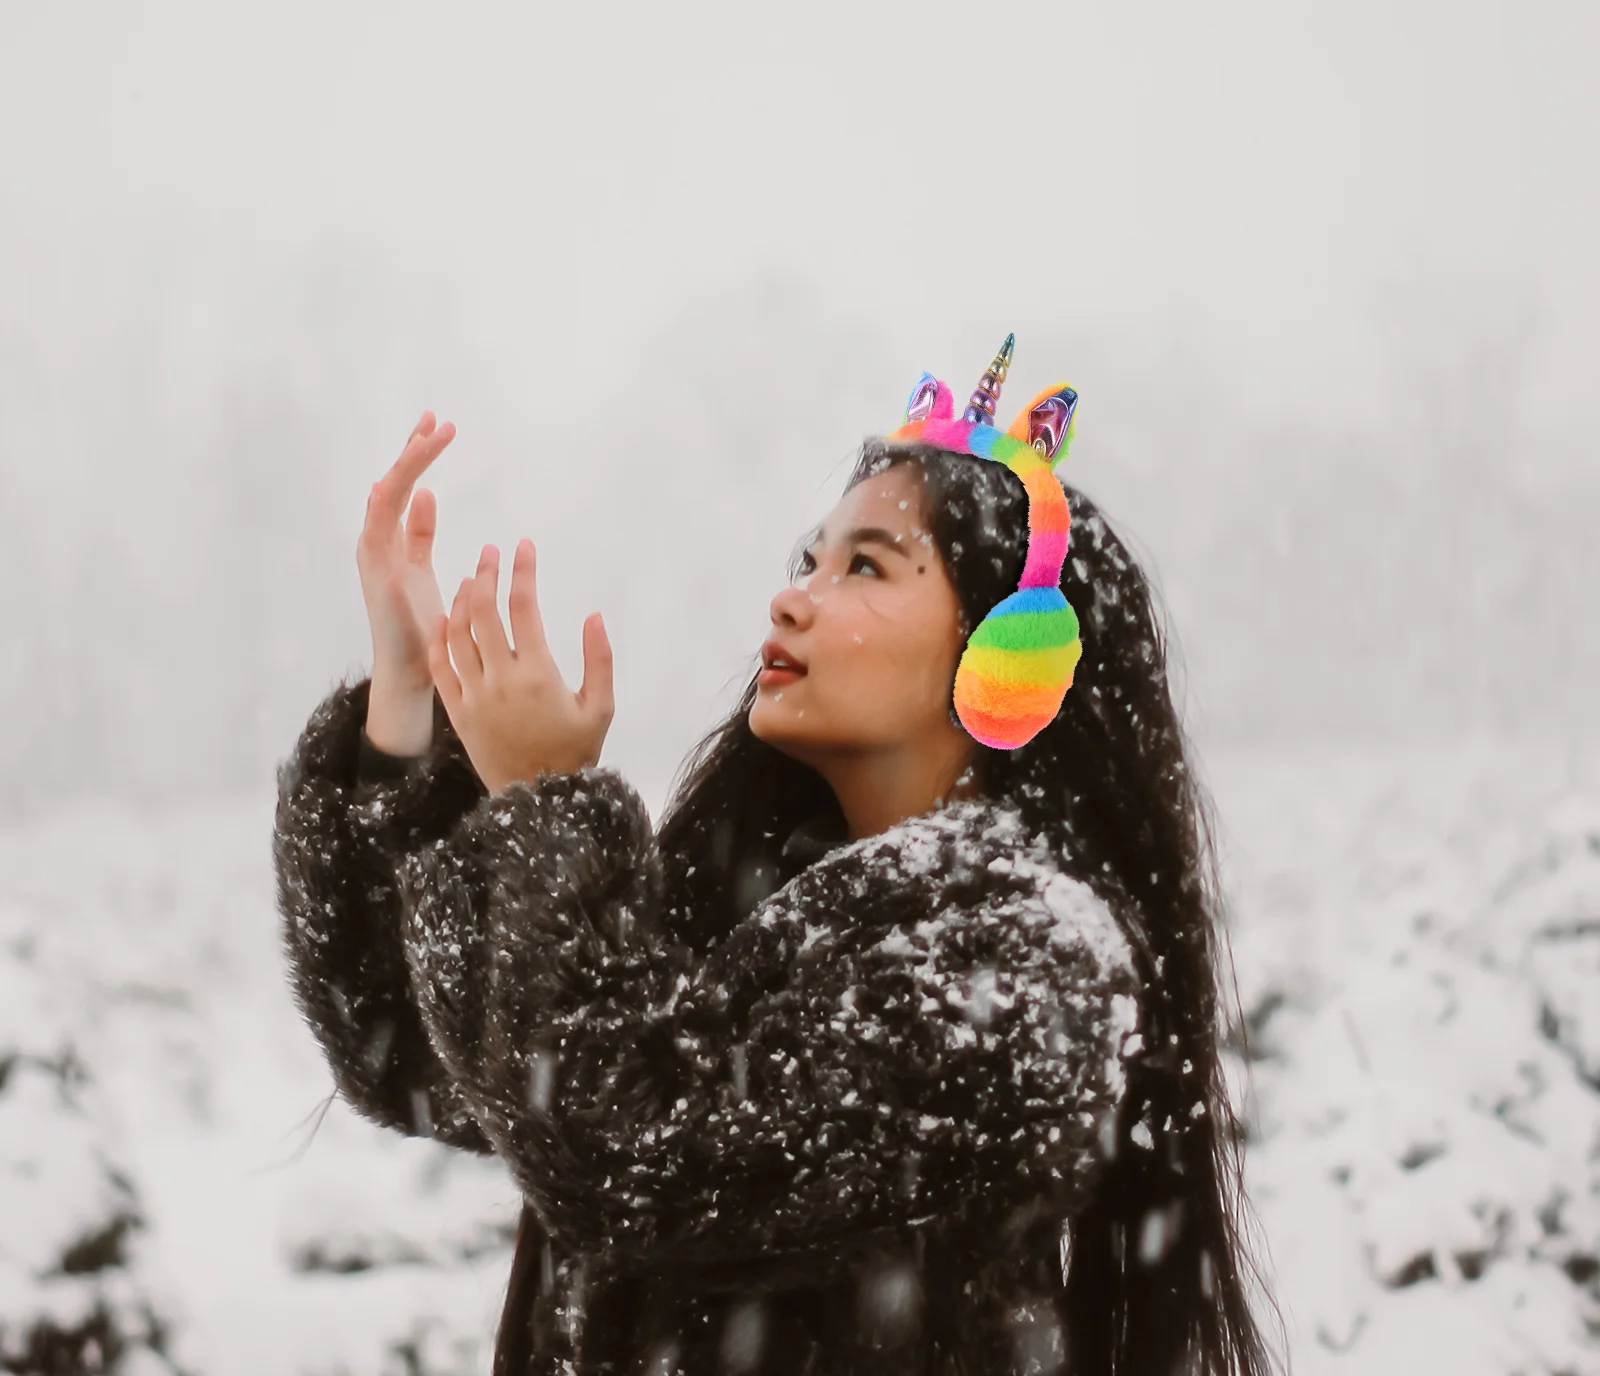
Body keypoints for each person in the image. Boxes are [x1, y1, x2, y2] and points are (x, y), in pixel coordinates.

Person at [272, 342, 1286, 1375]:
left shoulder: (1023, 964)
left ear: (1002, 657)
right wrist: (404, 702)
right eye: (809, 558)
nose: (793, 597)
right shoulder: (748, 907)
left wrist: (542, 810)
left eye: (865, 565)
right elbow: (406, 1053)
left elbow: (645, 1157)